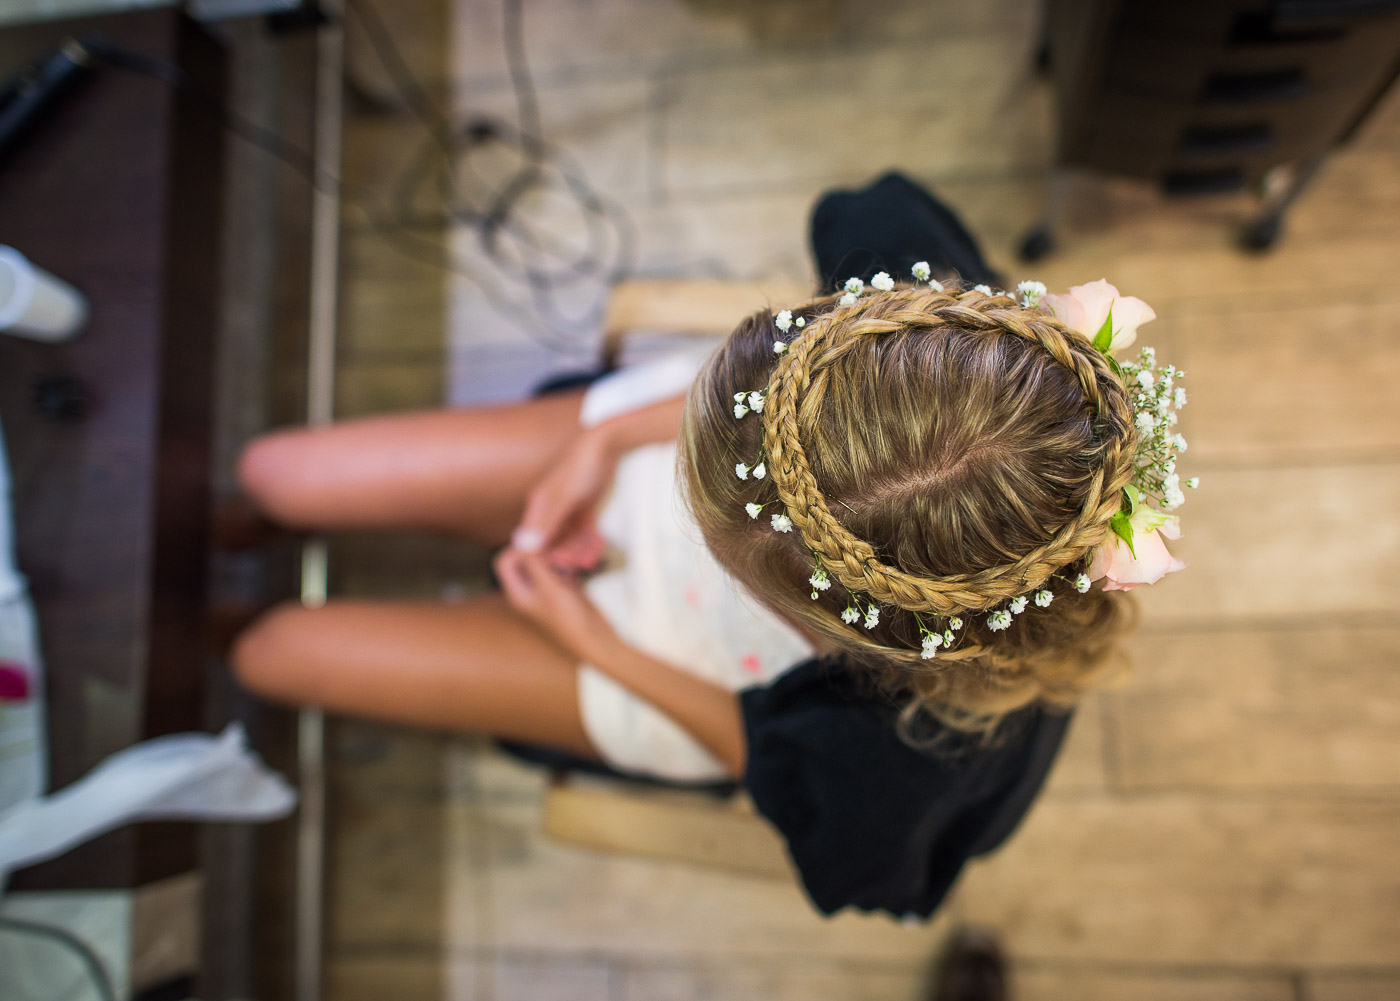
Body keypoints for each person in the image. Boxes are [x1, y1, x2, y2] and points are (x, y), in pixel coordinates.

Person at [231, 173, 1190, 918]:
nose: (689, 519)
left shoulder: (914, 753)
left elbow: (774, 761)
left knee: (266, 653)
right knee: (272, 474)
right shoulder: (954, 354)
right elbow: (860, 208)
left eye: (710, 526)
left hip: (684, 667)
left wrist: (590, 640)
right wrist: (604, 442)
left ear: (824, 623)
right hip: (640, 446)